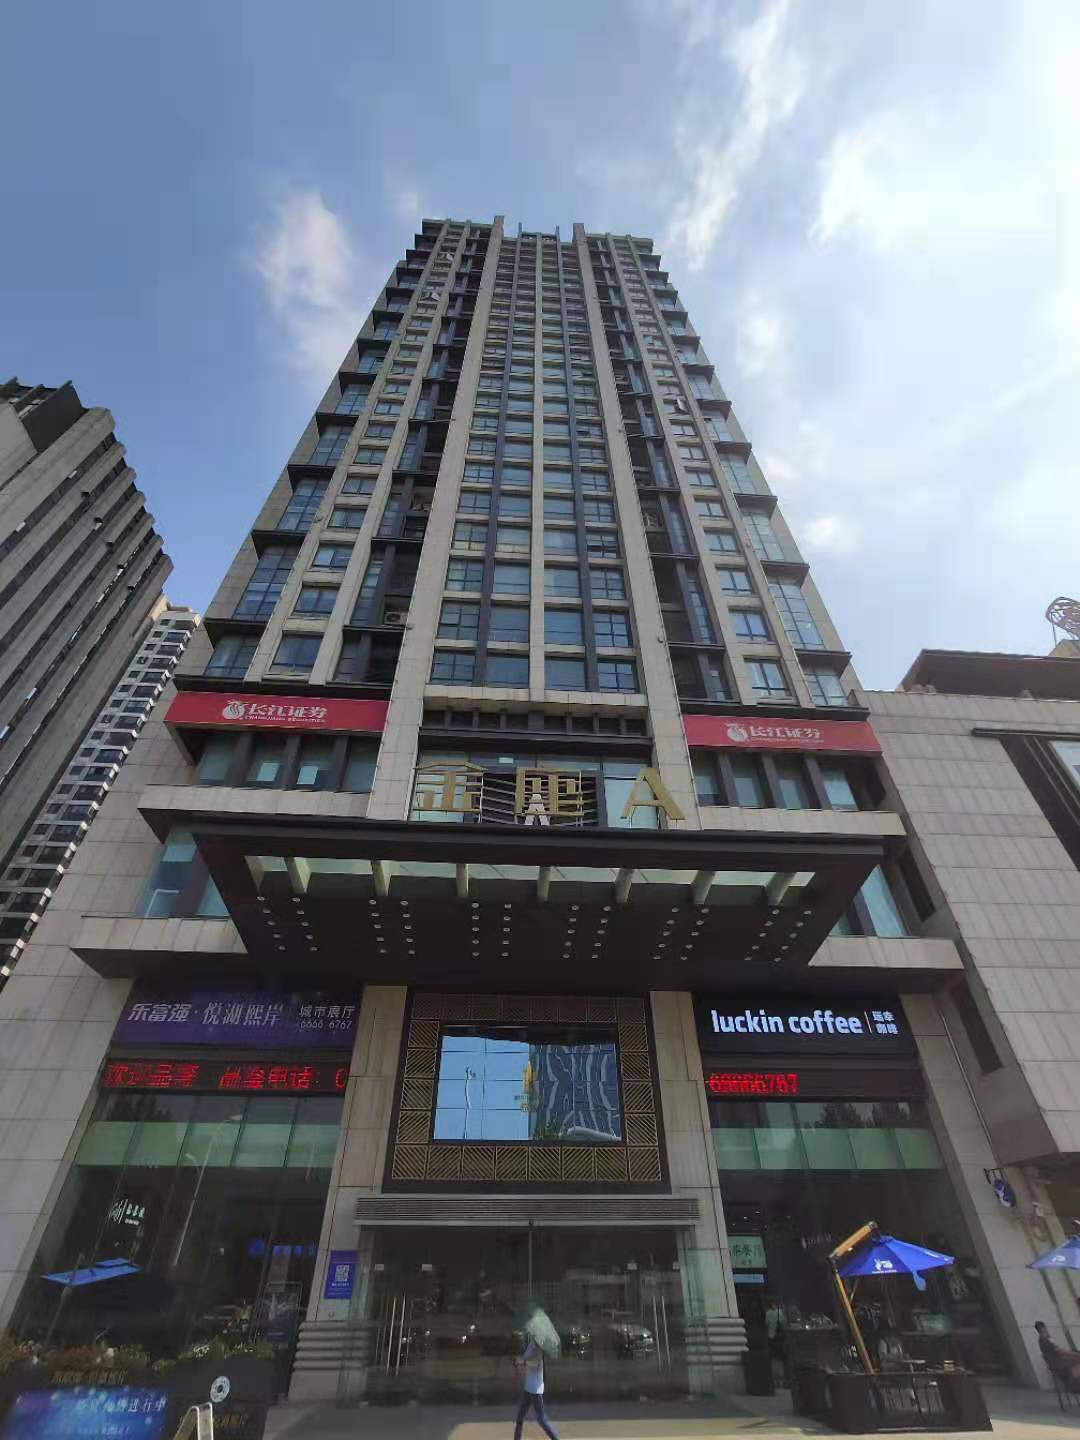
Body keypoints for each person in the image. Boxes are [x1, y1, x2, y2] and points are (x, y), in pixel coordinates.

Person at [513, 1332, 560, 1440]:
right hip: (528, 1388)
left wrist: (522, 1361)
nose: (530, 1332)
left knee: (542, 1419)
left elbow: (534, 1362)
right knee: (520, 1417)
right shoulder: (531, 1344)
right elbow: (526, 1358)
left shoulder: (539, 1346)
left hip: (535, 1389)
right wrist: (519, 1360)